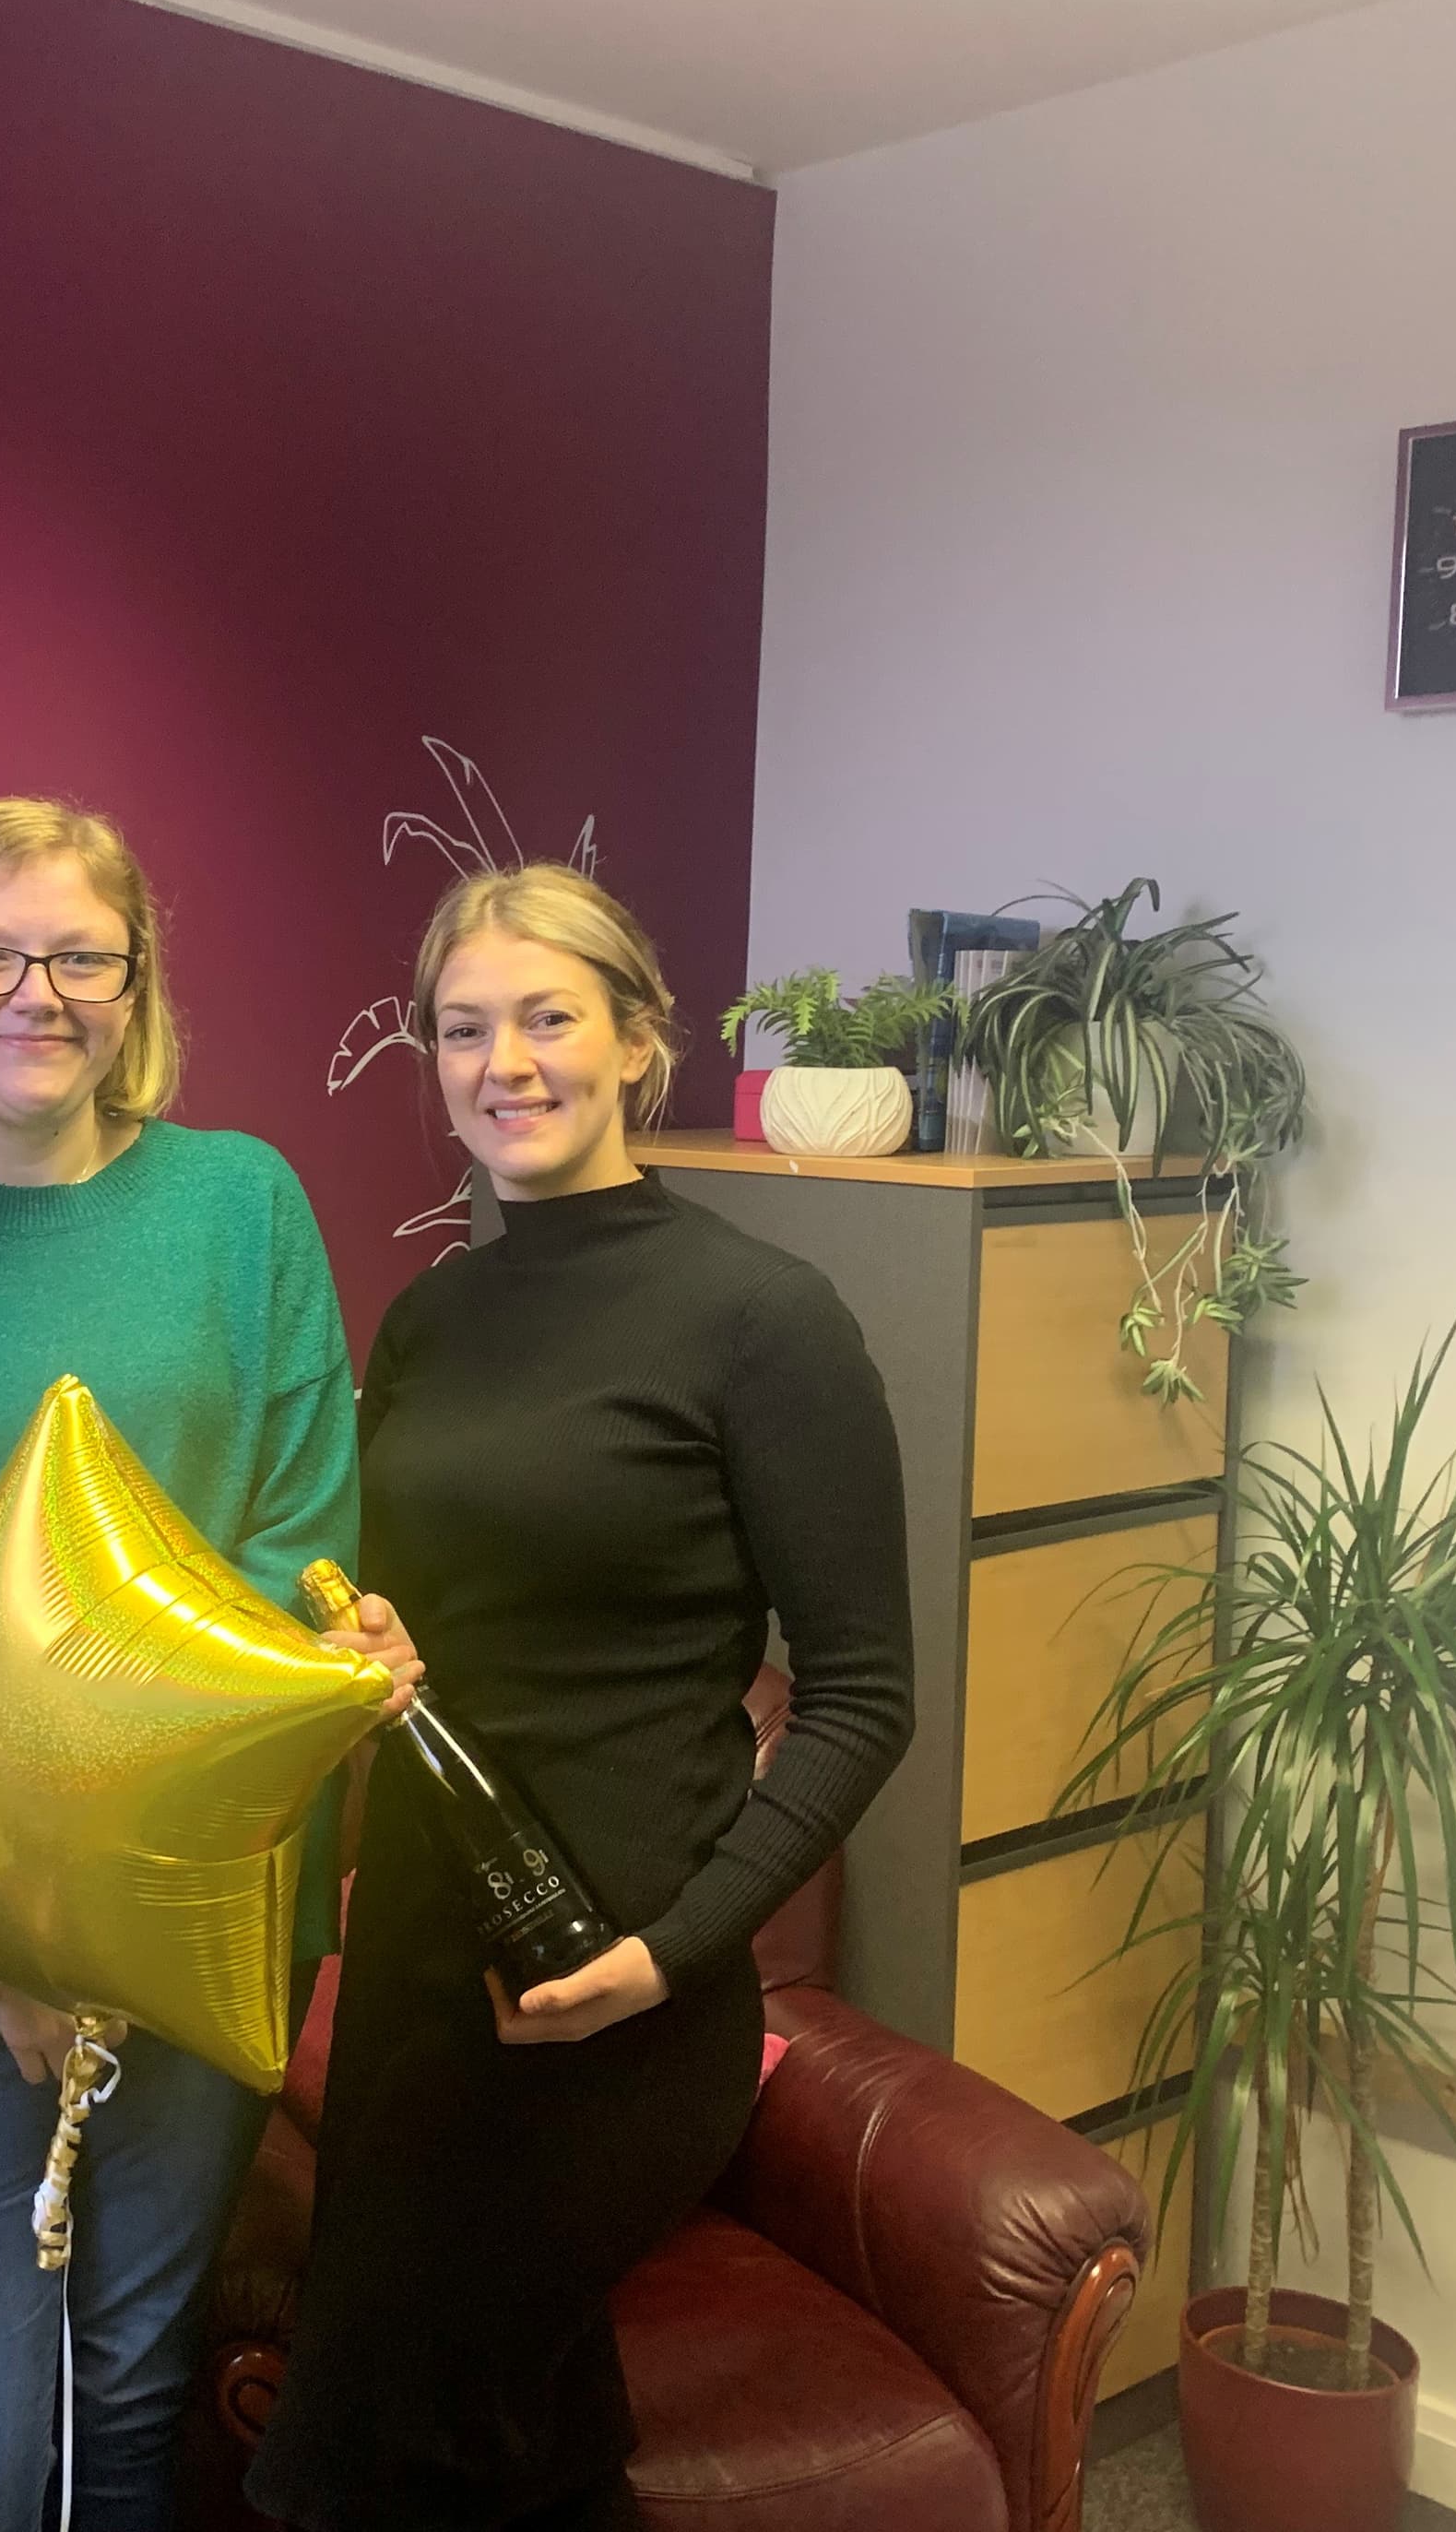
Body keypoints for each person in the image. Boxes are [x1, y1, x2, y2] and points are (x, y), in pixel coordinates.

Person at [0, 797, 420, 2532]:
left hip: (209, 1899)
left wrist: (119, 1891)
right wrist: (7, 1931)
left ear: (136, 984)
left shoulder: (243, 1204)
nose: (31, 994)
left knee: (128, 2398)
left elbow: (292, 1544)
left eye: (79, 957)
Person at [244, 865, 917, 2532]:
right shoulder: (435, 1315)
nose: (506, 1064)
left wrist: (674, 1952)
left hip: (624, 1990)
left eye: (548, 1018)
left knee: (376, 2447)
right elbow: (417, 1604)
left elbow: (862, 1697)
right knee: (515, 2443)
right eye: (463, 1029)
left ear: (638, 1039)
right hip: (421, 1958)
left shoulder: (764, 1319)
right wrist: (358, 1646)